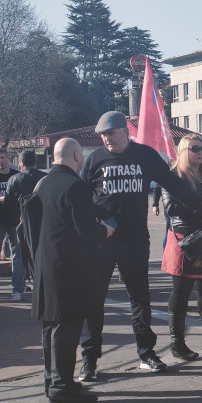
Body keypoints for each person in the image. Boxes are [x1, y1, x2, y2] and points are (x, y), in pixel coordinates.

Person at [79, 111, 202, 380]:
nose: (107, 139)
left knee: (140, 299)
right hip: (102, 242)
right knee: (94, 300)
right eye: (103, 135)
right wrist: (99, 221)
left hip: (134, 241)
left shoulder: (144, 155)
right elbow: (82, 198)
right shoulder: (95, 159)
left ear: (125, 131)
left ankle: (146, 353)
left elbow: (174, 185)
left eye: (111, 133)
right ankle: (90, 360)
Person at [33, 138, 114, 403]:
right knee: (67, 329)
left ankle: (52, 381)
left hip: (44, 265)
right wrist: (105, 228)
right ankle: (62, 387)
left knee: (50, 327)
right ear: (78, 155)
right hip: (68, 269)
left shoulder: (42, 183)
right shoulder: (75, 186)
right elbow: (86, 231)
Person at [161, 135, 202, 360]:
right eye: (194, 148)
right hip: (184, 239)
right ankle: (177, 343)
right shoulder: (174, 176)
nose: (200, 152)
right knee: (181, 292)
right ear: (182, 151)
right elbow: (171, 208)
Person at [5, 150, 47, 278]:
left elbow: (8, 203)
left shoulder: (14, 179)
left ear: (21, 163)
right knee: (42, 253)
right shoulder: (44, 178)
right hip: (42, 222)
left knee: (18, 254)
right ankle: (42, 282)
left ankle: (18, 289)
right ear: (34, 162)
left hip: (20, 221)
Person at [0, 148, 22, 301]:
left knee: (17, 254)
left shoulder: (15, 176)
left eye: (2, 158)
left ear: (8, 159)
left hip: (14, 220)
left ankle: (17, 289)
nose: (0, 161)